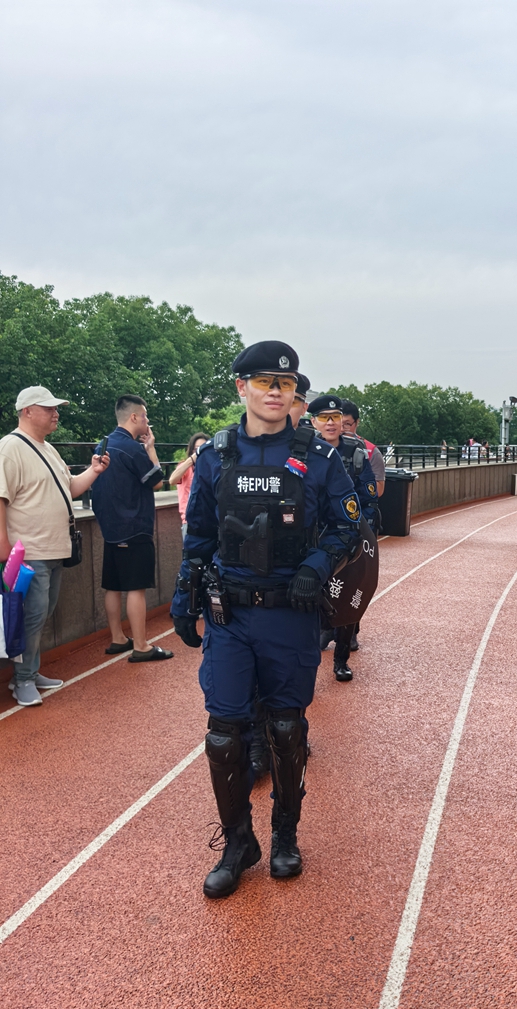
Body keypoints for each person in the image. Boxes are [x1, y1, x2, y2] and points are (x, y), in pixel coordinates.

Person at [170, 341, 361, 898]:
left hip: (289, 614)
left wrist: (316, 565)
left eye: (285, 385)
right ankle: (237, 842)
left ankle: (284, 836)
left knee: (285, 728)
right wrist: (185, 594)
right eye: (264, 383)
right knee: (224, 733)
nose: (276, 393)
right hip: (231, 615)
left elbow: (347, 529)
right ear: (242, 388)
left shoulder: (319, 458)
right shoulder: (216, 456)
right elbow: (200, 533)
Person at [0, 386, 110, 706]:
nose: (55, 413)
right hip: (28, 551)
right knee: (30, 618)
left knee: (41, 615)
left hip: (53, 548)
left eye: (55, 408)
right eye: (48, 408)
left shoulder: (48, 449)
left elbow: (70, 488)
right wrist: (3, 543)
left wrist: (94, 470)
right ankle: (22, 679)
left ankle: (30, 673)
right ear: (27, 411)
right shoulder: (10, 448)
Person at [91, 395, 174, 662]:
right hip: (134, 526)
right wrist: (151, 449)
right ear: (134, 417)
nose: (147, 421)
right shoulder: (132, 448)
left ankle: (117, 638)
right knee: (136, 588)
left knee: (113, 586)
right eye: (146, 416)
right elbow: (157, 482)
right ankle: (140, 645)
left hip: (110, 527)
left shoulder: (101, 445)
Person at [310, 394, 379, 681]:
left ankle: (341, 659)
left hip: (347, 537)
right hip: (312, 538)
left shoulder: (357, 452)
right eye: (324, 418)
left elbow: (369, 498)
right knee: (311, 595)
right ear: (313, 421)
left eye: (335, 417)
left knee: (349, 594)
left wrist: (359, 533)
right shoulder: (305, 450)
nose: (331, 423)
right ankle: (310, 656)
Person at [169, 432, 210, 540]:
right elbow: (172, 480)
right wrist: (192, 459)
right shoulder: (186, 468)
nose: (200, 452)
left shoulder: (210, 469)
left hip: (209, 520)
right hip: (190, 521)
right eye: (196, 448)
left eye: (203, 448)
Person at [341, 399, 385, 497]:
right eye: (338, 423)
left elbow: (379, 489)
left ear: (357, 422)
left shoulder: (371, 451)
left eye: (347, 424)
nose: (341, 429)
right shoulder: (324, 447)